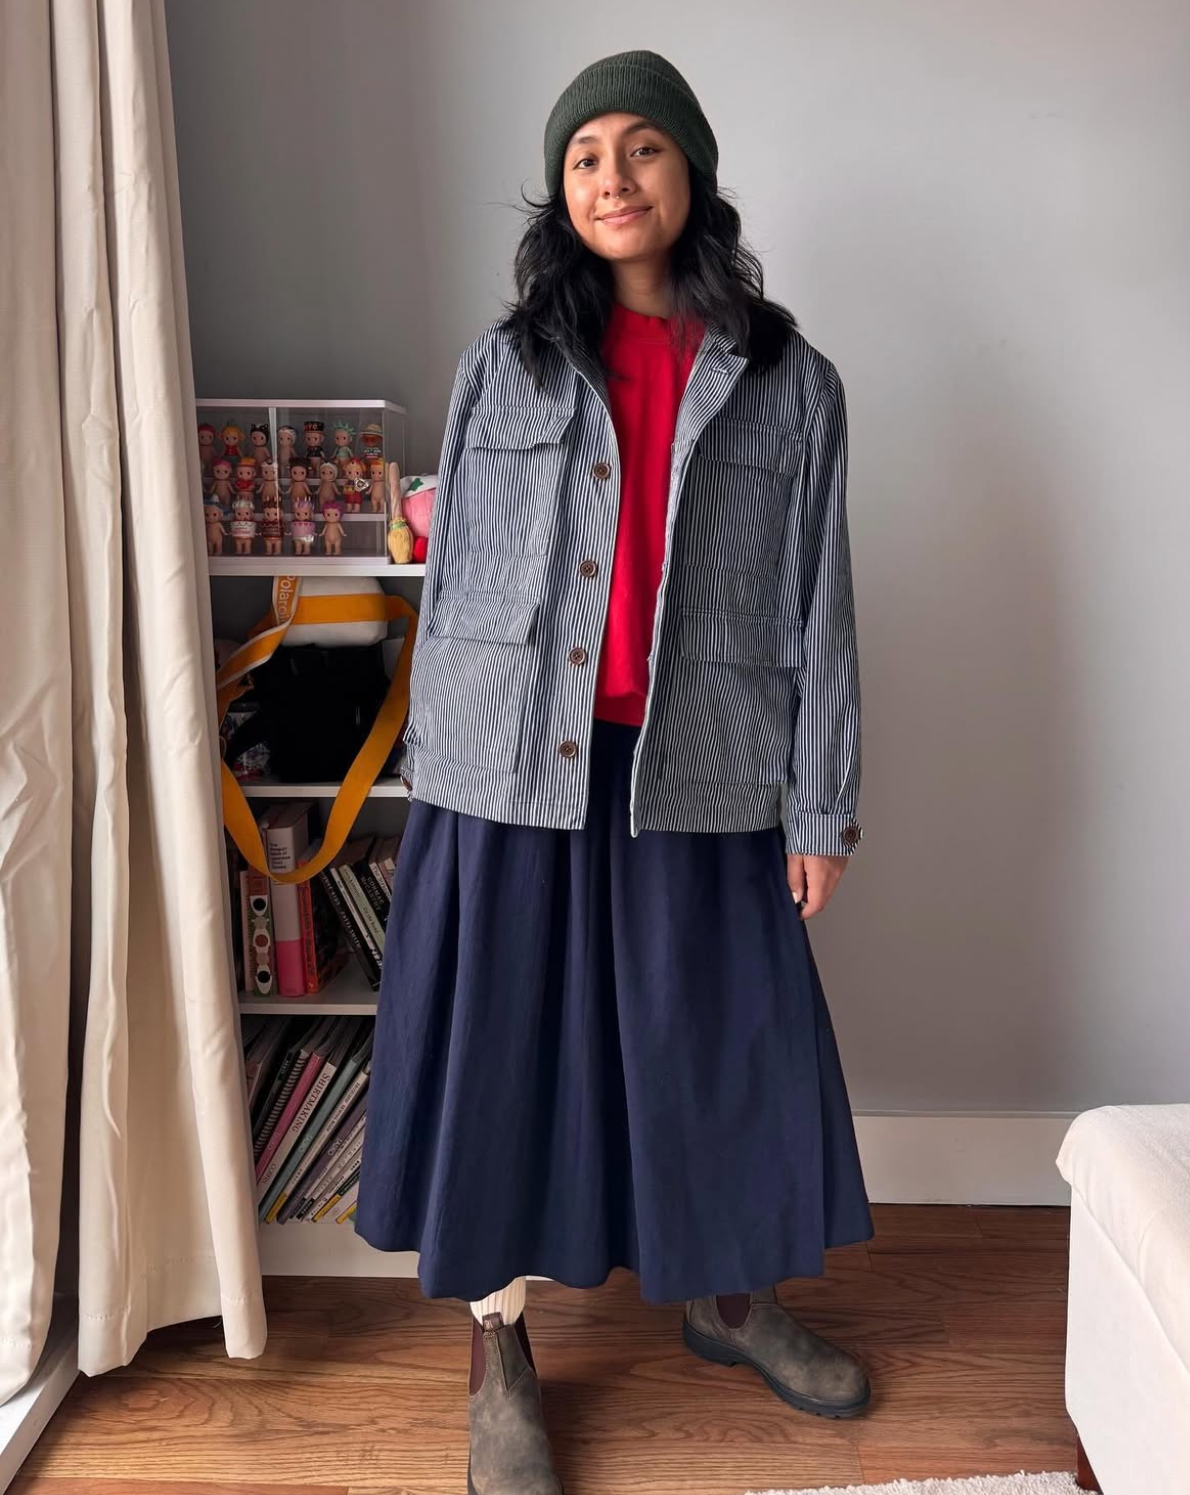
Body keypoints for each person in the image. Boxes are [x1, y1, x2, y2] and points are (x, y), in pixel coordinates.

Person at [356, 50, 873, 1495]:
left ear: (689, 170)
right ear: (560, 192)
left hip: (701, 763)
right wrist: (438, 774)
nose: (613, 177)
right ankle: (499, 1347)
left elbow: (820, 603)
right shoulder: (504, 362)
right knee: (501, 1056)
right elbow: (457, 576)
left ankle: (728, 1300)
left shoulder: (789, 381)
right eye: (585, 155)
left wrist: (821, 804)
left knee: (721, 1043)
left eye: (642, 147)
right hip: (512, 768)